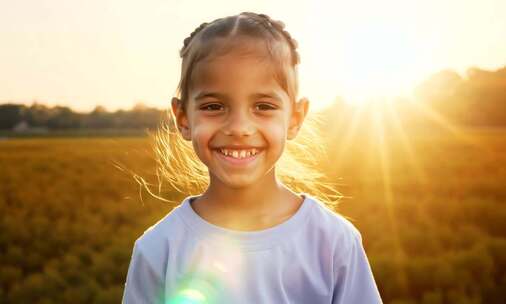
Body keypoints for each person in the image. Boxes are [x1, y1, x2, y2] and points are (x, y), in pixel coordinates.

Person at [122, 12, 382, 304]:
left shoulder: (333, 242)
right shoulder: (159, 248)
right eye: (214, 106)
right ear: (183, 118)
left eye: (263, 106)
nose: (239, 128)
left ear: (295, 118)